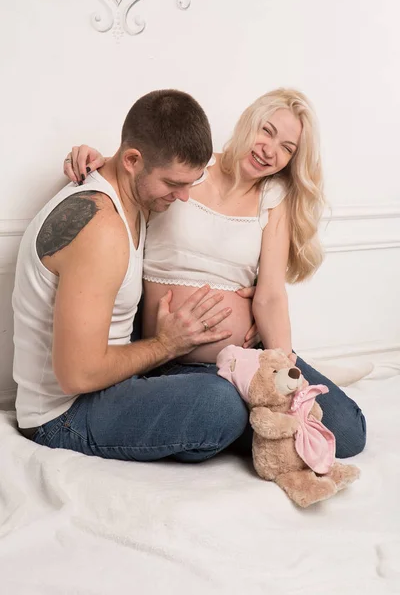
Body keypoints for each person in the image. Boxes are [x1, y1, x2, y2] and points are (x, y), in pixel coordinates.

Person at [63, 88, 366, 459]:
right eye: (267, 131)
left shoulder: (274, 197)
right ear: (247, 122)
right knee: (219, 413)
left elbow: (270, 293)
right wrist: (89, 156)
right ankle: (252, 420)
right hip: (171, 361)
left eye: (287, 148)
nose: (270, 150)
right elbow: (134, 170)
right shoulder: (187, 171)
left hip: (249, 355)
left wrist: (283, 369)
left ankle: (266, 412)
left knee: (349, 435)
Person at [13, 90, 250, 462]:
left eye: (192, 181)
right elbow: (77, 375)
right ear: (132, 161)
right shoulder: (100, 228)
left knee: (327, 421)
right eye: (174, 184)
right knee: (220, 406)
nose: (185, 196)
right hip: (63, 415)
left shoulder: (131, 192)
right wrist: (167, 346)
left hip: (117, 382)